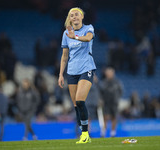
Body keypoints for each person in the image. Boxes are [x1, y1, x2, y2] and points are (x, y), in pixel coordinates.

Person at [58, 7, 96, 144]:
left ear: (82, 17)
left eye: (77, 15)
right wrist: (61, 75)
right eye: (72, 15)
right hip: (71, 71)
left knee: (80, 101)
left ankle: (85, 134)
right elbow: (64, 56)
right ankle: (83, 132)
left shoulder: (88, 28)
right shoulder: (66, 34)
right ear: (70, 18)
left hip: (86, 68)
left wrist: (76, 37)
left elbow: (88, 38)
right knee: (75, 105)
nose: (74, 17)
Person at [98, 67, 123, 137]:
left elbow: (121, 91)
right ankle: (103, 132)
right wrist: (100, 100)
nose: (109, 74)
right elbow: (100, 92)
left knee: (114, 117)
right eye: (108, 73)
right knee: (105, 117)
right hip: (106, 102)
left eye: (111, 72)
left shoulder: (117, 82)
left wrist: (117, 98)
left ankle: (113, 133)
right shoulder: (103, 82)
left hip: (114, 102)